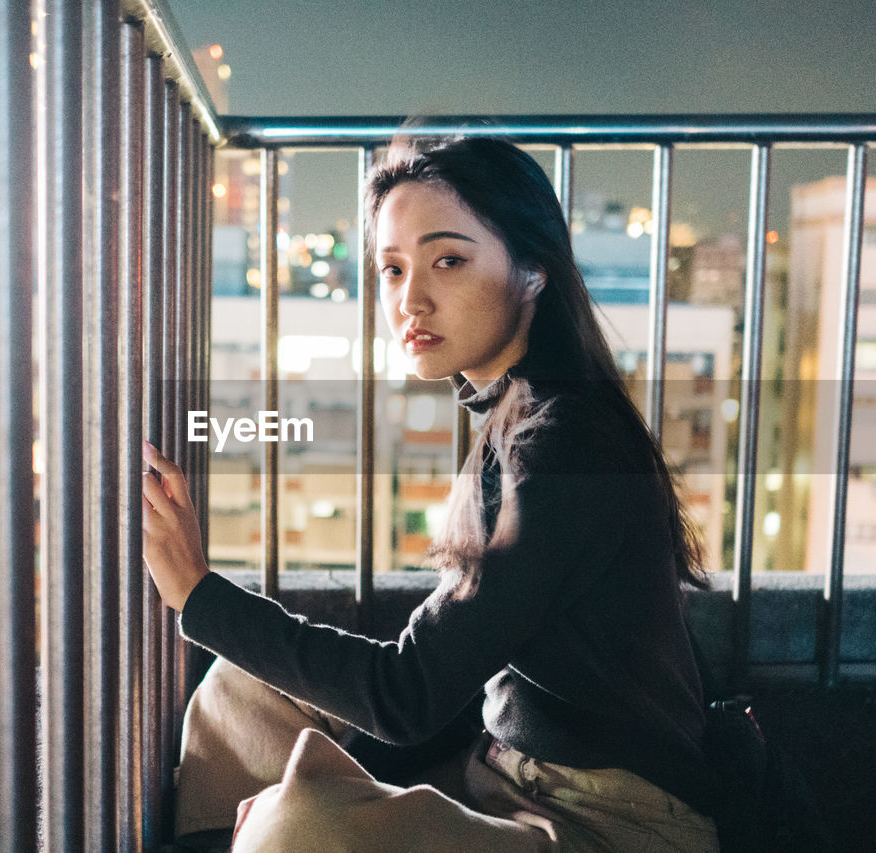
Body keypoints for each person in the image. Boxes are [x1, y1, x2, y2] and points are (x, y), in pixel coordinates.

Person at [141, 134, 721, 852]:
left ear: (532, 268)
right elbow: (447, 674)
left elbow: (409, 694)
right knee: (241, 693)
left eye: (448, 260)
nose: (410, 298)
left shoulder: (564, 443)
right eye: (391, 268)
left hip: (606, 827)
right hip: (498, 775)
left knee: (299, 827)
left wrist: (198, 593)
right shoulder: (514, 412)